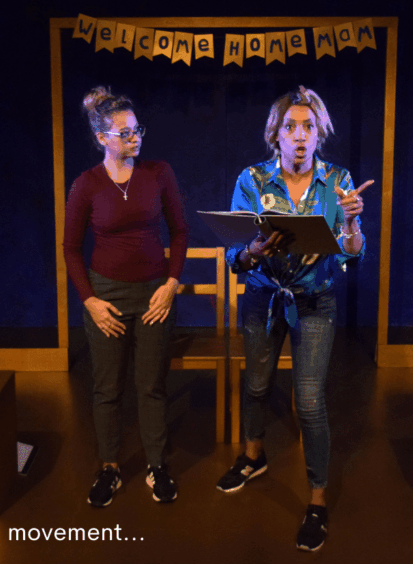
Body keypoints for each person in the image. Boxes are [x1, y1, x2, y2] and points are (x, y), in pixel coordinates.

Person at [216, 86, 373, 551]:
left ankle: (318, 500)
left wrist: (350, 226)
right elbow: (233, 256)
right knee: (257, 384)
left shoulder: (338, 181)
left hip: (315, 302)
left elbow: (353, 257)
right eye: (291, 127)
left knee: (308, 402)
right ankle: (253, 455)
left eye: (309, 127)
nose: (300, 136)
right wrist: (251, 250)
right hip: (263, 298)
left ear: (318, 133)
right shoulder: (253, 180)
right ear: (276, 135)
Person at [63, 86, 189, 507]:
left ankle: (157, 465)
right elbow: (69, 249)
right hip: (107, 298)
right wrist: (90, 301)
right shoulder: (86, 185)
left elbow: (180, 231)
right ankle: (110, 468)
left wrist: (171, 285)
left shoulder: (159, 173)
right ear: (102, 138)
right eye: (125, 132)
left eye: (137, 130)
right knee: (107, 387)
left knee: (151, 385)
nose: (135, 138)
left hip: (154, 295)